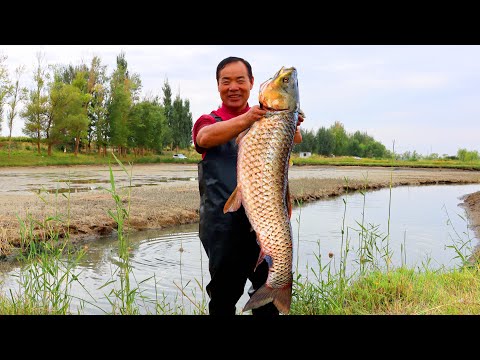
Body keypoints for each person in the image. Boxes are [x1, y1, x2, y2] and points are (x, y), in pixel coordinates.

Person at [192, 56, 304, 316]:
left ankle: (276, 294)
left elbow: (295, 137)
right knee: (223, 298)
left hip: (266, 223)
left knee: (267, 305)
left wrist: (290, 120)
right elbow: (203, 138)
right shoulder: (208, 120)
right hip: (222, 230)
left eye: (240, 80)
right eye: (226, 81)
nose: (233, 87)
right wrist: (249, 119)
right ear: (218, 85)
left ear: (252, 83)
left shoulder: (266, 119)